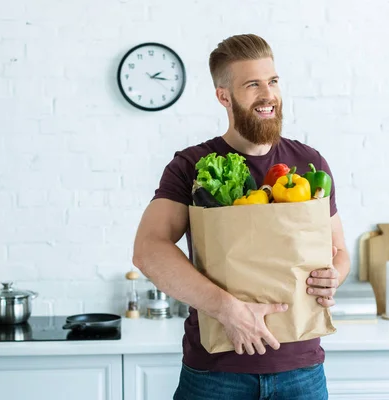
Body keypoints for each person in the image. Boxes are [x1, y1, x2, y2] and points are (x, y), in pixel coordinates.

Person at [132, 34, 351, 400]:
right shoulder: (191, 166)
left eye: (273, 81)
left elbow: (339, 251)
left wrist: (335, 276)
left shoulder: (310, 163)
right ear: (224, 96)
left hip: (302, 370)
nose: (268, 95)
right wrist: (228, 310)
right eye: (253, 85)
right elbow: (148, 250)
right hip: (216, 374)